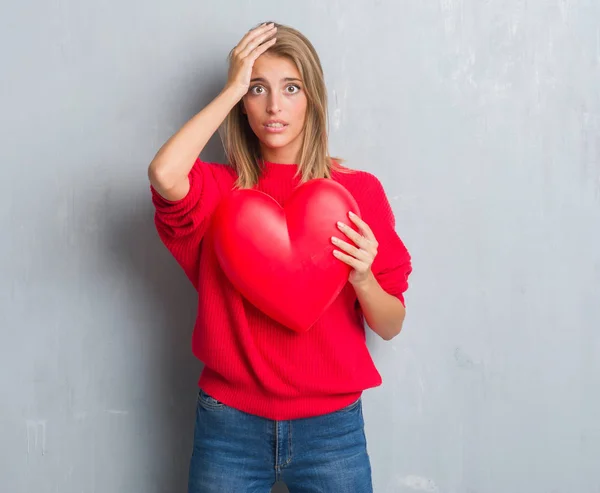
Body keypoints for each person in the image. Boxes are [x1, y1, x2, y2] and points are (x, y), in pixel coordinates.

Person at [148, 21, 412, 493]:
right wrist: (230, 87)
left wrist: (364, 278)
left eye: (291, 88)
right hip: (228, 427)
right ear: (241, 102)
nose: (274, 106)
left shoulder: (357, 193)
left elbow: (391, 324)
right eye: (257, 89)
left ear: (312, 98)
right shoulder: (216, 190)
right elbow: (165, 174)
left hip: (333, 431)